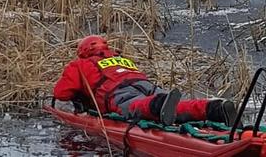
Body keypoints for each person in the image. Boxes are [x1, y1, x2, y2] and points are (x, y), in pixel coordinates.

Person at [53, 35, 238, 126]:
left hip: (118, 92)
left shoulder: (80, 64)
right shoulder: (119, 57)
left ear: (83, 50)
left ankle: (157, 106)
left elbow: (61, 93)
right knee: (178, 106)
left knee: (135, 106)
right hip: (144, 84)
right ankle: (212, 108)